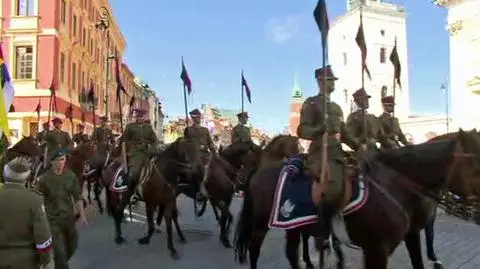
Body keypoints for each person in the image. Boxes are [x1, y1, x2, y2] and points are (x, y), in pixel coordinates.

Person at [296, 65, 364, 238]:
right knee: (332, 184)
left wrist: (359, 146)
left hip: (337, 151)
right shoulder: (311, 103)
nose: (333, 83)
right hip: (320, 151)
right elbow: (302, 130)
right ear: (320, 81)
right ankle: (322, 228)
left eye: (333, 80)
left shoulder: (336, 107)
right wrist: (320, 128)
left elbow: (345, 133)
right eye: (330, 80)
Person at [36, 149, 87, 269]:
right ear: (52, 162)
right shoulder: (44, 179)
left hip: (69, 218)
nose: (60, 163)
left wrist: (83, 215)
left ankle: (60, 263)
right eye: (58, 160)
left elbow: (77, 196)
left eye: (63, 160)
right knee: (60, 254)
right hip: (52, 220)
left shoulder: (70, 176)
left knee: (72, 246)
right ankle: (61, 264)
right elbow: (37, 200)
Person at [0, 157, 54, 269]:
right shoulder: (34, 199)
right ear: (27, 176)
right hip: (25, 261)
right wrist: (45, 260)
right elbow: (42, 235)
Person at [120, 108, 159, 203]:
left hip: (148, 151)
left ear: (144, 117)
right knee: (135, 172)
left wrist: (152, 148)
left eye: (141, 116)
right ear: (135, 117)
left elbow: (155, 140)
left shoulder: (148, 127)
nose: (139, 118)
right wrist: (130, 145)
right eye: (137, 116)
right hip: (136, 152)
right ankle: (132, 193)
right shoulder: (130, 127)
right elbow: (124, 140)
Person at [184, 108, 216, 202]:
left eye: (199, 117)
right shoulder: (188, 130)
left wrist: (214, 152)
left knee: (214, 167)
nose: (198, 119)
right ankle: (200, 188)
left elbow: (210, 143)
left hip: (205, 154)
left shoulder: (205, 130)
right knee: (196, 169)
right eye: (197, 117)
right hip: (193, 155)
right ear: (192, 118)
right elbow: (186, 143)